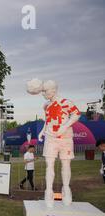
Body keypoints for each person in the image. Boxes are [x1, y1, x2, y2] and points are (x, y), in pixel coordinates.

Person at [27, 79, 81, 207]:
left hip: (65, 138)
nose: (43, 94)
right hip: (51, 138)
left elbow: (76, 114)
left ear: (53, 90)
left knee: (66, 163)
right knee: (49, 164)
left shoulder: (66, 103)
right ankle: (49, 190)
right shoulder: (46, 106)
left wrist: (65, 126)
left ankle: (66, 189)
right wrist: (42, 131)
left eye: (45, 91)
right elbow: (48, 120)